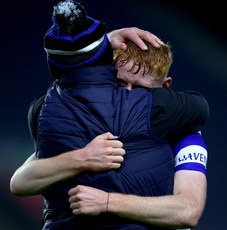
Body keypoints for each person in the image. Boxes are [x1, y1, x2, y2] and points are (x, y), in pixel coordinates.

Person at [10, 1, 209, 230]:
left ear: (165, 88)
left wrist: (108, 202)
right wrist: (82, 157)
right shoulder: (88, 124)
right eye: (120, 83)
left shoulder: (185, 132)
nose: (128, 95)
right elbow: (21, 181)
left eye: (141, 89)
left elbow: (187, 211)